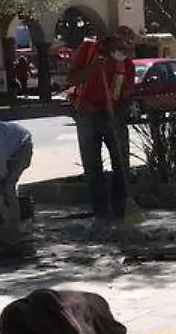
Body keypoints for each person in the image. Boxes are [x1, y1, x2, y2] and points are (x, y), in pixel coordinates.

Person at [67, 26, 138, 231]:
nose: (124, 53)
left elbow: (127, 97)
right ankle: (101, 212)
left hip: (111, 115)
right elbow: (71, 79)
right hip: (86, 113)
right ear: (112, 42)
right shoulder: (88, 50)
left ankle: (121, 209)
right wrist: (93, 69)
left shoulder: (127, 65)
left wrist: (118, 115)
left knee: (121, 162)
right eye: (121, 48)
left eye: (127, 49)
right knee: (92, 165)